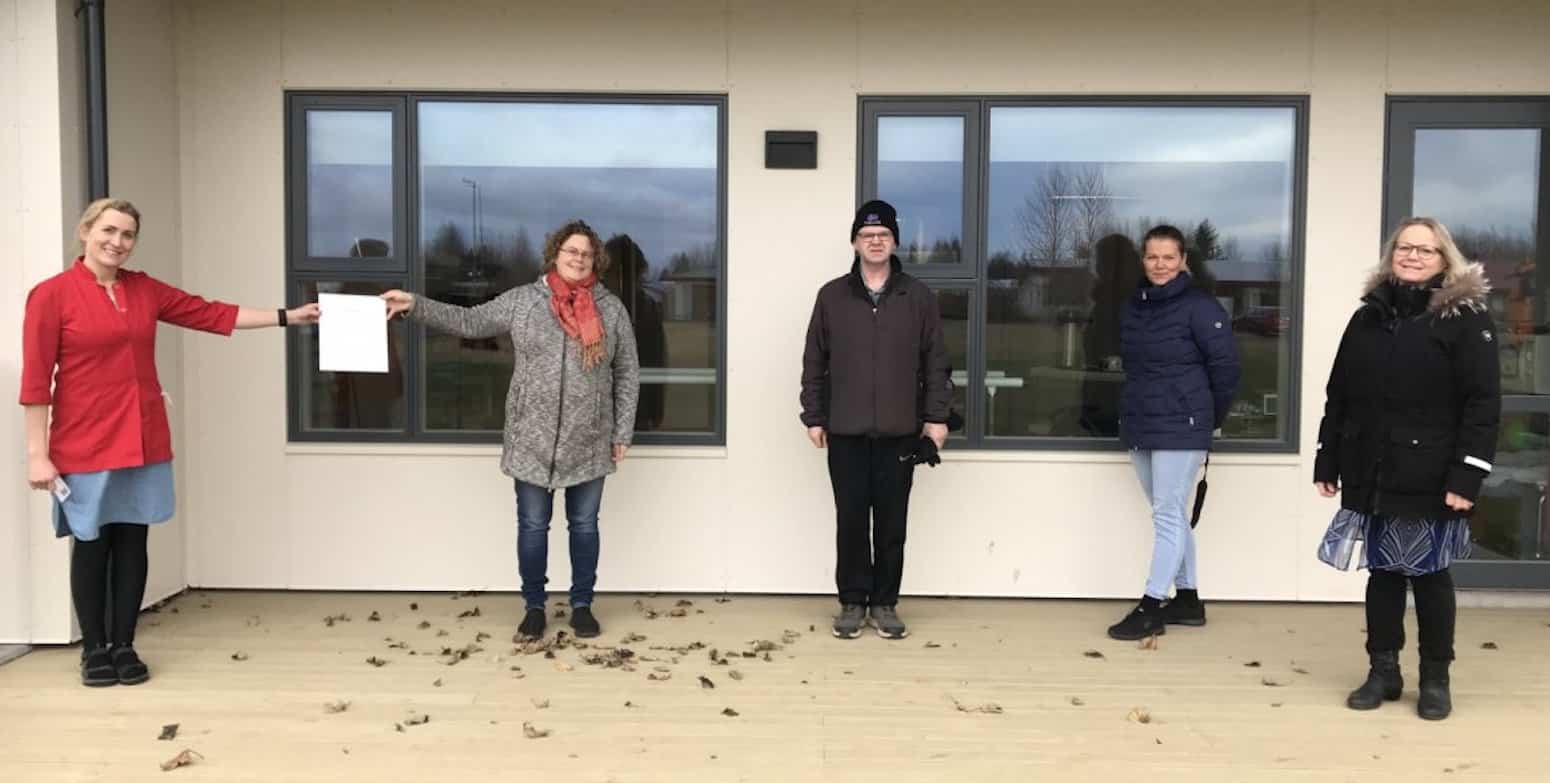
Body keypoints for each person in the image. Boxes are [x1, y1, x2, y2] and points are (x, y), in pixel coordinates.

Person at [21, 198, 320, 686]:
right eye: (109, 230)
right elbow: (36, 383)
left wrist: (289, 316)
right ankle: (93, 650)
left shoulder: (143, 290)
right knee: (92, 543)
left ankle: (123, 644)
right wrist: (38, 455)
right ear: (86, 231)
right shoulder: (51, 295)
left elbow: (209, 313)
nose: (117, 242)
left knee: (132, 541)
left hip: (143, 436)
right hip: (84, 440)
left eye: (127, 235)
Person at [382, 219, 639, 641]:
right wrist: (415, 304)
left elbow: (627, 371)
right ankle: (534, 607)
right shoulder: (523, 301)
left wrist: (622, 432)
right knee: (533, 527)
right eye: (571, 251)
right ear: (555, 254)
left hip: (590, 438)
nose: (578, 259)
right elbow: (470, 322)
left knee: (584, 526)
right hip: (530, 439)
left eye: (587, 254)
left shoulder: (610, 310)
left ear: (596, 261)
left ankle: (582, 606)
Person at [1314, 217, 1499, 721]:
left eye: (1425, 249)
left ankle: (1436, 678)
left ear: (1444, 259)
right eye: (1404, 247)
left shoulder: (1466, 319)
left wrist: (1467, 476)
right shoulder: (1368, 317)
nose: (1413, 256)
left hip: (1432, 473)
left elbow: (1483, 404)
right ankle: (1383, 672)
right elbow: (1339, 395)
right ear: (1391, 253)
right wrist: (1328, 459)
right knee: (1383, 574)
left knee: (1430, 576)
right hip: (1371, 467)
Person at [800, 199, 949, 640]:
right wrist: (814, 416)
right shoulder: (832, 297)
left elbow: (936, 362)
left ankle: (884, 604)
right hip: (845, 432)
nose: (876, 242)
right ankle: (852, 603)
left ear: (895, 242)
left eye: (883, 234)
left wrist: (936, 419)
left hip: (899, 434)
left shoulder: (918, 297)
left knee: (891, 524)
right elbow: (814, 361)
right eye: (867, 235)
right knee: (850, 522)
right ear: (855, 242)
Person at [1107, 224, 1240, 641]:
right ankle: (1187, 599)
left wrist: (1208, 419)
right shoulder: (1134, 307)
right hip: (1142, 422)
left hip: (1183, 425)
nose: (1160, 264)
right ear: (1143, 261)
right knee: (1172, 515)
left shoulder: (1201, 308)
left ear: (1183, 261)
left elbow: (1226, 369)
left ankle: (1150, 606)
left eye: (1169, 257)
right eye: (1152, 257)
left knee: (1166, 515)